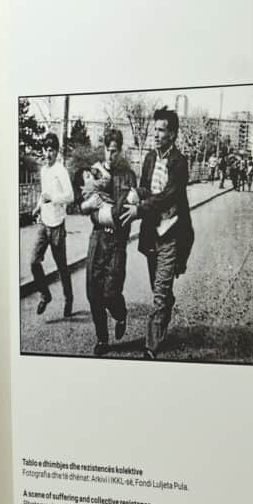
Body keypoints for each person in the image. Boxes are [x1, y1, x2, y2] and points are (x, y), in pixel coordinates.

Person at [121, 107, 194, 360]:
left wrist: (139, 209)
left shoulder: (180, 163)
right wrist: (135, 194)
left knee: (161, 291)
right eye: (155, 129)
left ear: (172, 134)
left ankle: (151, 345)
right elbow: (146, 187)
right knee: (157, 286)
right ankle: (165, 307)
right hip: (152, 233)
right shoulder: (150, 157)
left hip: (171, 234)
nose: (156, 134)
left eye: (161, 130)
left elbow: (168, 196)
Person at [77, 130, 138, 355]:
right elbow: (81, 202)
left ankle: (120, 315)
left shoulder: (128, 176)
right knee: (93, 293)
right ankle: (102, 339)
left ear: (120, 151)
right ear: (103, 149)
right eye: (107, 150)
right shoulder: (94, 172)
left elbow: (131, 206)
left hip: (117, 241)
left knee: (111, 292)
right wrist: (87, 206)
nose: (110, 155)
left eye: (114, 151)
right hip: (98, 237)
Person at [29, 133, 74, 317]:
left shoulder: (60, 170)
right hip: (44, 223)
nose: (47, 154)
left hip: (57, 224)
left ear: (56, 152)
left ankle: (69, 298)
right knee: (34, 262)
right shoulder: (43, 171)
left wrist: (53, 198)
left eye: (51, 151)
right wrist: (37, 206)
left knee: (62, 266)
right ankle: (45, 295)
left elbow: (70, 196)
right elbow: (43, 194)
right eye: (45, 150)